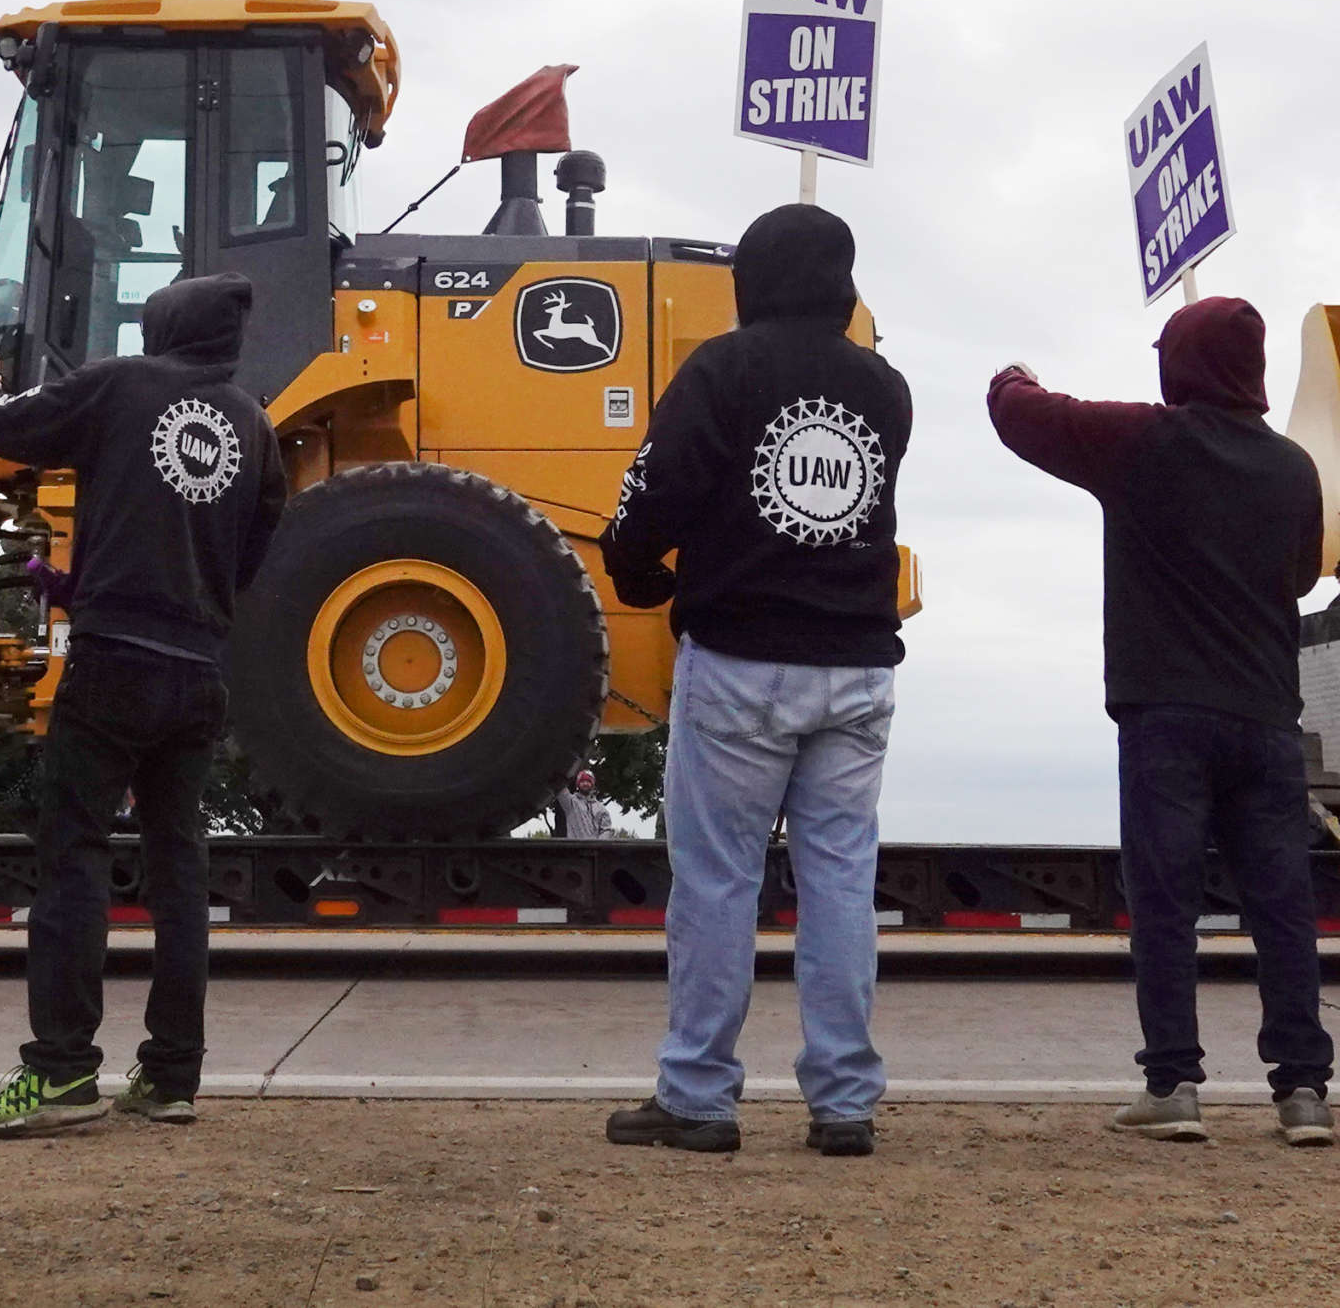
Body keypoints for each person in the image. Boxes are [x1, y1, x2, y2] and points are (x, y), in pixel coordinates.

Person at [596, 205, 911, 1157]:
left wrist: (635, 565)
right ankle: (845, 1101)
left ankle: (698, 1096)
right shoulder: (886, 389)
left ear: (751, 278)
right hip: (858, 669)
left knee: (720, 882)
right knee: (842, 885)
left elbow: (656, 493)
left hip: (740, 665)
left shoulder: (723, 370)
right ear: (842, 280)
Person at [0, 273, 286, 1137]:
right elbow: (251, 552)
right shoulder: (253, 425)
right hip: (200, 667)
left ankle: (60, 1070)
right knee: (179, 869)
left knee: (74, 853)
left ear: (165, 326)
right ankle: (172, 1075)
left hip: (113, 662)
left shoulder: (122, 383)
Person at [989, 297, 1334, 1146]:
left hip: (1165, 716)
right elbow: (1296, 579)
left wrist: (1012, 373)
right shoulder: (1295, 470)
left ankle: (1174, 1084)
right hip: (1265, 719)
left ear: (1178, 359)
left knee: (1166, 900)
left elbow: (1021, 415)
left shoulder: (1142, 442)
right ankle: (1304, 1096)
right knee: (1282, 906)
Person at [554, 768, 614, 839]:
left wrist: (597, 845)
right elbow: (560, 789)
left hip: (595, 849)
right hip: (574, 848)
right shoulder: (570, 802)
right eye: (582, 781)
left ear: (592, 784)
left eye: (588, 781)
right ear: (578, 784)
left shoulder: (601, 809)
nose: (585, 783)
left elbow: (606, 830)